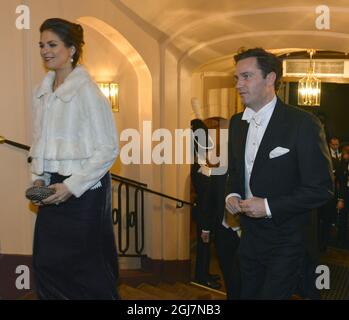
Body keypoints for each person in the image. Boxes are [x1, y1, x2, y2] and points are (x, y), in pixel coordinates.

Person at [225, 48, 333, 299]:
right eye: (237, 78)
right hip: (249, 237)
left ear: (270, 78)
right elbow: (235, 171)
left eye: (247, 76)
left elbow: (322, 189)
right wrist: (231, 193)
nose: (239, 84)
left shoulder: (303, 123)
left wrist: (269, 206)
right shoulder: (236, 123)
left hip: (287, 240)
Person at [28, 18, 119, 299]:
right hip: (52, 189)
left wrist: (70, 187)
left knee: (85, 269)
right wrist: (39, 180)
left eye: (52, 44)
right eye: (42, 45)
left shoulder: (88, 93)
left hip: (84, 193)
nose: (45, 50)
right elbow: (39, 142)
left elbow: (108, 149)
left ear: (71, 49)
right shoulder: (42, 93)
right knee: (47, 263)